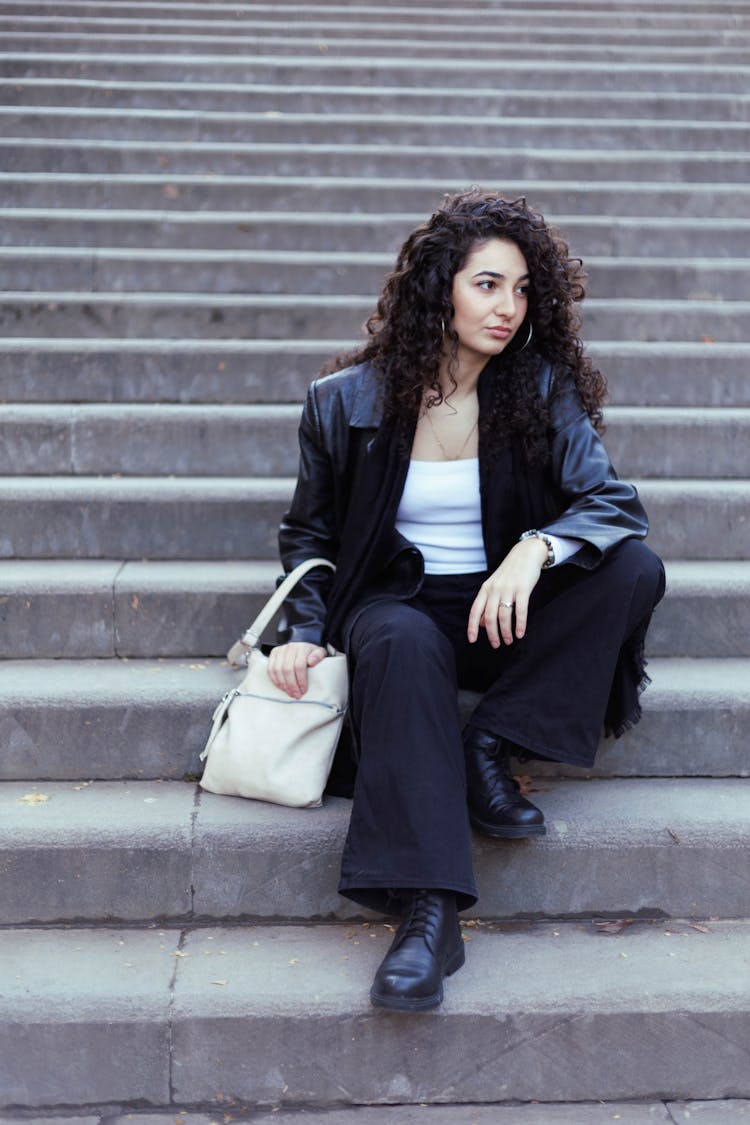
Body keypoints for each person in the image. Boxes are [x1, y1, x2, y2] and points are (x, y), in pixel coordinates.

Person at [267, 189, 665, 1013]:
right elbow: (310, 536)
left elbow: (614, 503)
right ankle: (427, 914)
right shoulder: (344, 402)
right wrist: (302, 631)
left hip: (503, 609)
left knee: (634, 568)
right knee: (401, 643)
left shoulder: (541, 390)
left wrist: (535, 547)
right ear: (439, 286)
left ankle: (490, 742)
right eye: (488, 284)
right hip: (399, 606)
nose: (507, 308)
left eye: (522, 290)